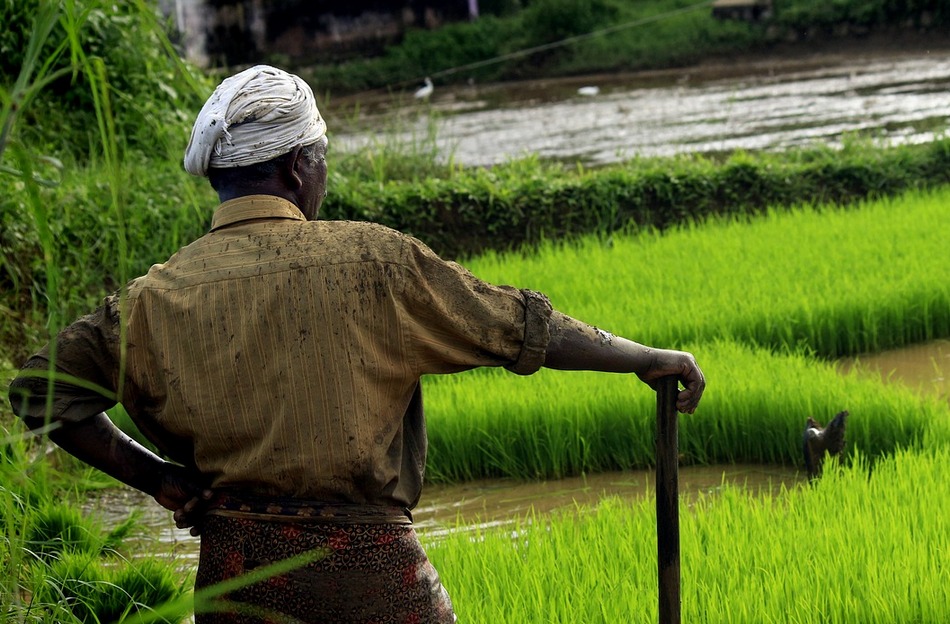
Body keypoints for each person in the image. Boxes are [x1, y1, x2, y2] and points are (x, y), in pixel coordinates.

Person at [8, 65, 705, 623]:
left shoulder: (154, 298)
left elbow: (38, 390)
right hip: (368, 570)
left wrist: (158, 478)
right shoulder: (374, 261)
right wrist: (647, 358)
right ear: (297, 167)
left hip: (235, 577)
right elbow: (521, 325)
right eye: (322, 158)